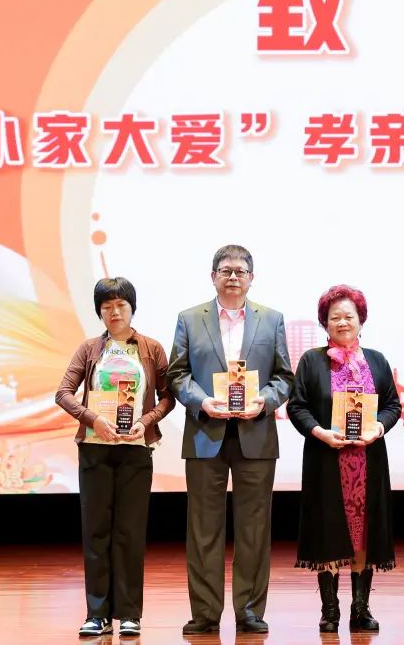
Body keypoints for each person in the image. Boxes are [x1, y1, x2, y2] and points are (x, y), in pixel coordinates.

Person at [167, 245, 294, 635]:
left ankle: (250, 611)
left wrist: (263, 402)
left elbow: (284, 377)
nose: (233, 277)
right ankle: (205, 613)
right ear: (213, 277)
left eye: (240, 271)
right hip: (206, 432)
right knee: (203, 529)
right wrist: (202, 402)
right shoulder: (190, 319)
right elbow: (177, 374)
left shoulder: (271, 319)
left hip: (256, 435)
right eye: (226, 270)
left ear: (251, 278)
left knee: (254, 528)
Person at [55, 277, 175, 638]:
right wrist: (93, 419)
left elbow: (168, 397)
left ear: (132, 308)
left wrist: (145, 422)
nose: (114, 312)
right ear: (99, 312)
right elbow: (63, 393)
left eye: (121, 305)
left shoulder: (150, 348)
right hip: (95, 449)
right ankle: (97, 614)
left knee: (130, 532)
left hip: (136, 451)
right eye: (106, 306)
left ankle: (129, 614)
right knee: (96, 532)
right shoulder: (90, 349)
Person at [287, 285, 401, 633]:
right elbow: (297, 406)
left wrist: (378, 428)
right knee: (328, 531)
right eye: (334, 317)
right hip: (326, 460)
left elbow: (393, 406)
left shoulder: (377, 361)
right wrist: (320, 432)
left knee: (364, 532)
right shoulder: (311, 360)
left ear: (360, 320)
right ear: (325, 323)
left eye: (348, 316)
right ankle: (330, 610)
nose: (342, 322)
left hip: (368, 461)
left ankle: (360, 609)